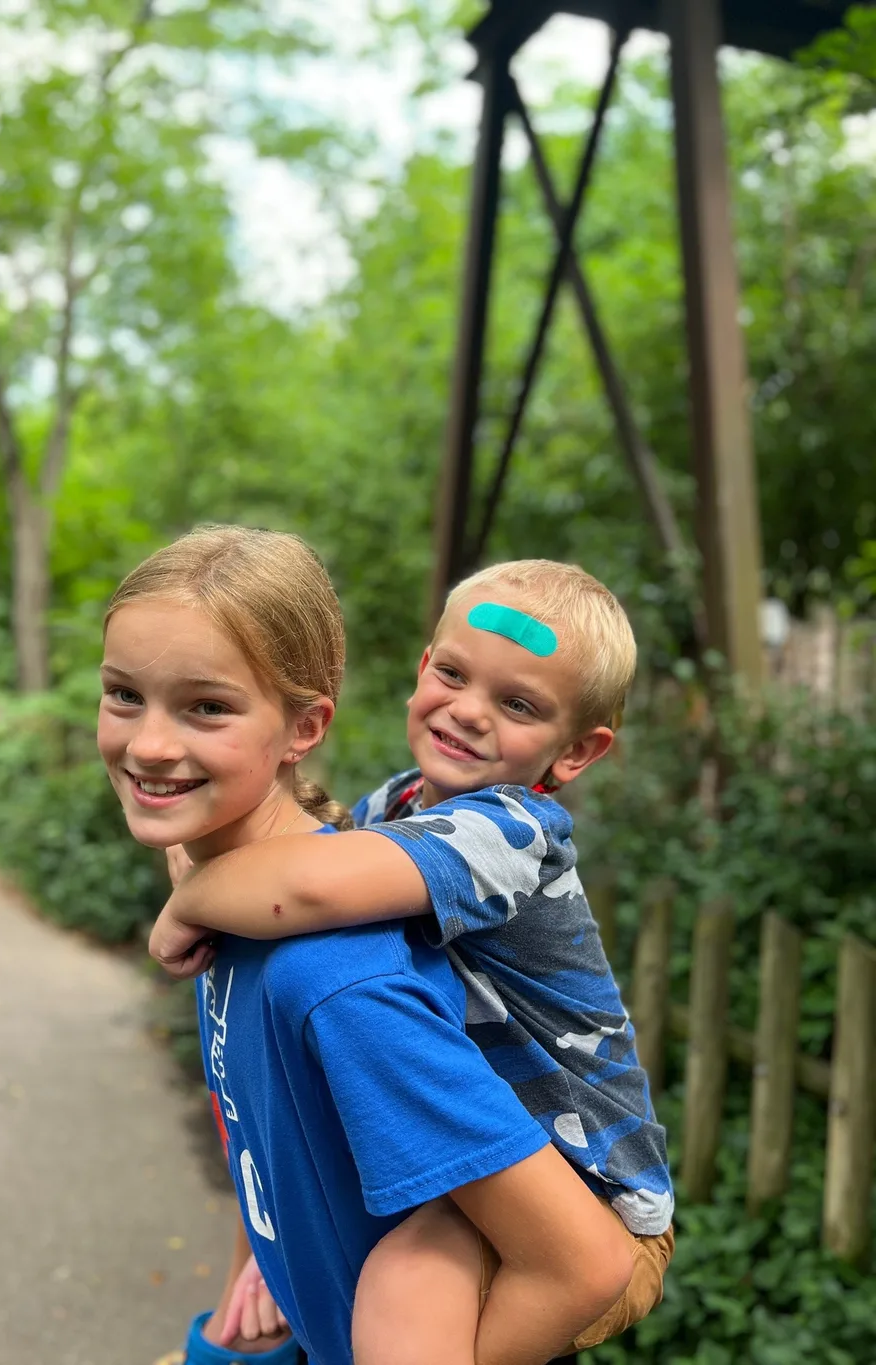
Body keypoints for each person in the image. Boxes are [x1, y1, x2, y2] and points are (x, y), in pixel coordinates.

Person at [100, 527, 634, 1365]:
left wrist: (191, 897)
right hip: (493, 1185)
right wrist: (261, 1276)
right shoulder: (390, 816)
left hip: (595, 1173)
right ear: (424, 667)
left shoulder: (349, 961)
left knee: (408, 1281)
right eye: (123, 693)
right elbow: (274, 1154)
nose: (151, 744)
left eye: (206, 705)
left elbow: (588, 1262)